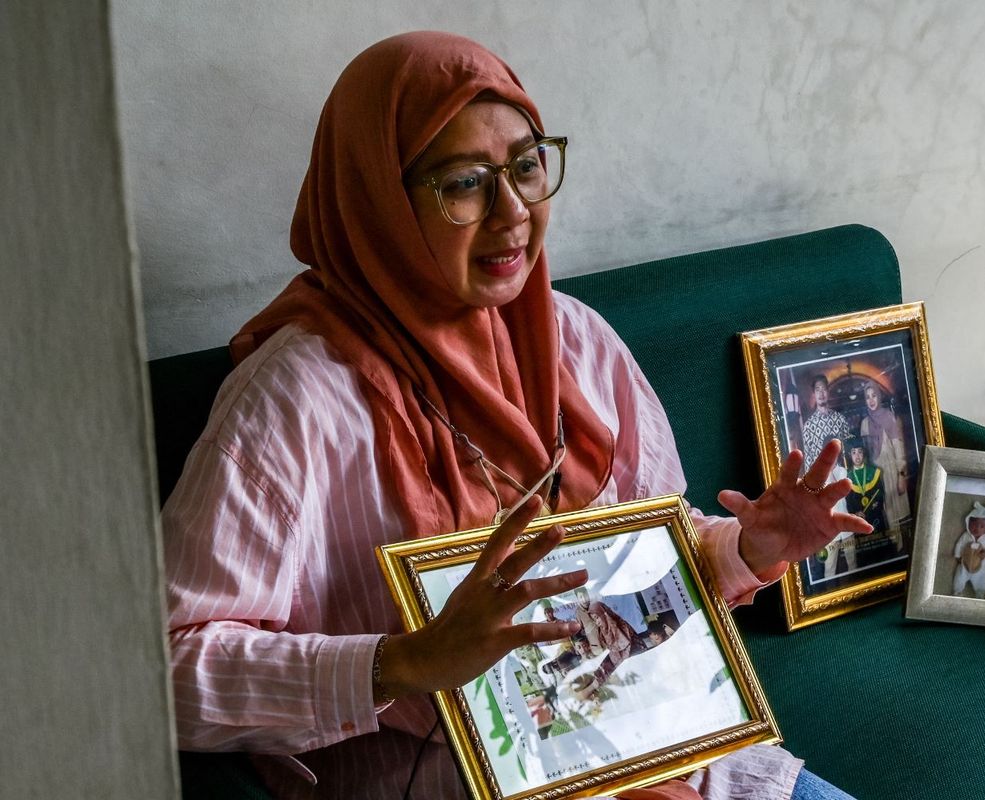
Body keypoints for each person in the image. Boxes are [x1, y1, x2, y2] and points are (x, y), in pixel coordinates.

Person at [162, 31, 868, 800]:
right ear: (381, 201)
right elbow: (163, 668)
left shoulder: (577, 340)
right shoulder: (294, 400)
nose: (513, 213)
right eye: (464, 182)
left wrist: (745, 548)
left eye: (526, 167)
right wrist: (403, 661)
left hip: (669, 762)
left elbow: (640, 555)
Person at [859, 383, 910, 533]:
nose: (871, 400)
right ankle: (894, 548)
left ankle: (905, 549)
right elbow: (865, 455)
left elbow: (898, 448)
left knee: (900, 517)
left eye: (874, 395)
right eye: (867, 397)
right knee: (884, 517)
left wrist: (901, 476)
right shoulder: (864, 424)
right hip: (876, 477)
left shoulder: (889, 416)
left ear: (879, 396)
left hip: (892, 473)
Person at [801, 375, 851, 473]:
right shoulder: (808, 426)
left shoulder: (840, 419)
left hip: (841, 474)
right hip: (821, 478)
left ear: (828, 392)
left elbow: (848, 450)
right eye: (818, 390)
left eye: (824, 389)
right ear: (814, 394)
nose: (821, 393)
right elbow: (808, 460)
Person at [952, 502, 985, 598]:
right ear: (969, 523)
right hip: (965, 563)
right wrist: (958, 555)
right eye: (974, 525)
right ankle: (958, 591)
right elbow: (959, 544)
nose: (977, 528)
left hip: (980, 565)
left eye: (981, 526)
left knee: (982, 577)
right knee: (959, 575)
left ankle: (980, 592)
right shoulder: (966, 536)